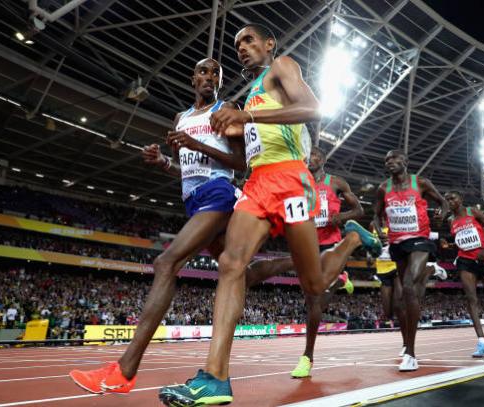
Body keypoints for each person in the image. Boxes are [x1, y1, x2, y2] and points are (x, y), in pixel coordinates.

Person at [159, 23, 380, 406]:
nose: (242, 48)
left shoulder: (283, 67)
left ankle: (354, 239)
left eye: (248, 40)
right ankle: (215, 379)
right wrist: (222, 126)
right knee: (231, 263)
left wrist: (247, 119)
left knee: (314, 285)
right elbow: (246, 151)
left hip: (292, 181)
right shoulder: (248, 99)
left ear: (268, 44)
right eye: (237, 44)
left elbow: (313, 108)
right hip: (259, 183)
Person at [68, 58, 246, 394]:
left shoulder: (226, 109)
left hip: (219, 192)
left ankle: (125, 369)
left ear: (220, 82)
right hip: (193, 200)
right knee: (239, 270)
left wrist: (196, 145)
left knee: (166, 263)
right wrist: (164, 162)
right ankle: (309, 271)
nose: (209, 77)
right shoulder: (180, 118)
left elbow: (240, 162)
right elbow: (187, 171)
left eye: (216, 74)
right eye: (203, 72)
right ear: (193, 78)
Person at [246, 145, 362, 379]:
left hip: (331, 243)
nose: (311, 159)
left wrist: (342, 216)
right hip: (306, 241)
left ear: (324, 159)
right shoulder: (297, 181)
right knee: (312, 295)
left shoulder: (336, 182)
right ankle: (339, 279)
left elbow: (358, 209)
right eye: (308, 156)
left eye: (316, 155)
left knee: (315, 299)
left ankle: (307, 357)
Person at [373, 149, 448, 372]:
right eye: (386, 159)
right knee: (403, 299)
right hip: (397, 244)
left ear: (405, 161)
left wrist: (442, 213)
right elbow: (376, 214)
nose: (390, 162)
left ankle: (411, 354)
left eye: (395, 158)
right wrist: (379, 231)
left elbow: (443, 202)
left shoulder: (421, 183)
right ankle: (430, 271)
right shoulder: (382, 188)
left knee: (407, 286)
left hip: (420, 239)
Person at [444, 191, 484, 357]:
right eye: (447, 199)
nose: (449, 201)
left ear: (461, 199)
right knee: (471, 298)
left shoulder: (473, 212)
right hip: (465, 261)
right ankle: (482, 342)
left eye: (452, 198)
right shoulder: (451, 221)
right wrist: (449, 246)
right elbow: (460, 241)